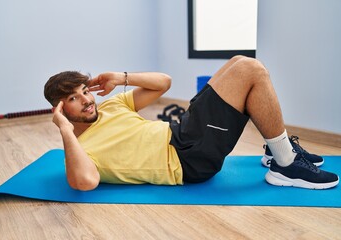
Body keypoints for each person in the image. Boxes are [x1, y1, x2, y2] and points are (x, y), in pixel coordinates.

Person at [44, 55, 339, 191]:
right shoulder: (82, 149)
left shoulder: (112, 105)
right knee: (251, 70)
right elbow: (84, 182)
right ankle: (285, 163)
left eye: (85, 91)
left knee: (239, 63)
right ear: (59, 108)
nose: (86, 100)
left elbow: (164, 83)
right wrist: (66, 131)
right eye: (73, 98)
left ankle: (279, 151)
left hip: (183, 132)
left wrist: (121, 78)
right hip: (187, 159)